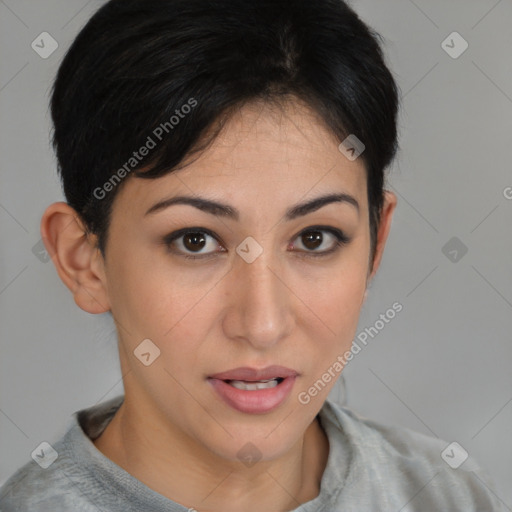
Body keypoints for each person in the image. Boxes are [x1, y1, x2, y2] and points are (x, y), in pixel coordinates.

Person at [0, 0, 505, 510]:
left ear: (377, 241)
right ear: (82, 260)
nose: (262, 324)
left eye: (315, 239)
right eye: (194, 240)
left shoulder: (447, 494)